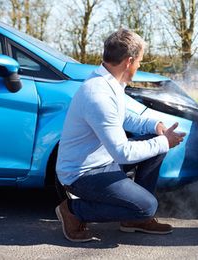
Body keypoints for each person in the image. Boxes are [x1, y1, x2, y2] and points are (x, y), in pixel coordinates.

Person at [55, 28, 186, 242]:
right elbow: (123, 152)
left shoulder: (110, 82)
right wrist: (164, 142)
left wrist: (156, 127)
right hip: (82, 174)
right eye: (140, 61)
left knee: (155, 148)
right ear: (129, 61)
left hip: (104, 161)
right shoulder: (98, 94)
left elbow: (125, 118)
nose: (139, 66)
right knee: (147, 206)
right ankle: (73, 210)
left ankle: (133, 219)